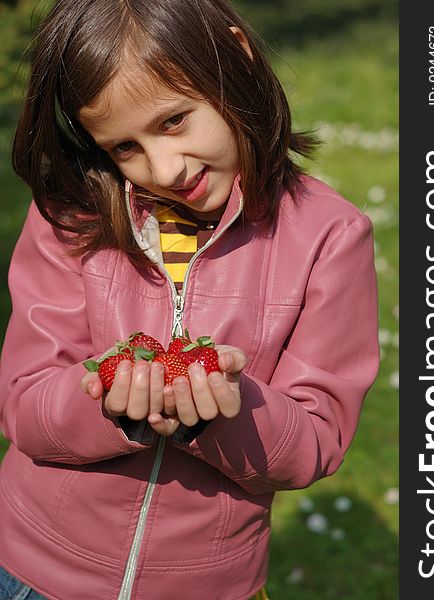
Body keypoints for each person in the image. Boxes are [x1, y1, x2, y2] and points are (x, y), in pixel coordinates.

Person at [0, 1, 380, 598]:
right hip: (36, 571)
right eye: (124, 148)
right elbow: (24, 404)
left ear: (236, 56)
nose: (164, 168)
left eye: (174, 121)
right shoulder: (72, 219)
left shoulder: (330, 237)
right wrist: (107, 400)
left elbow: (316, 439)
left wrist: (230, 407)